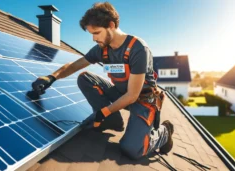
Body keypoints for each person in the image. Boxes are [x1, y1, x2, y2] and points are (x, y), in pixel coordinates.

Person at [31, 2, 174, 160]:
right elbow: (75, 65)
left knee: (132, 149)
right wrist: (52, 77)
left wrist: (103, 112)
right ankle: (112, 121)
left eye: (97, 33)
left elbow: (132, 95)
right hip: (120, 94)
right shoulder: (102, 49)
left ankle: (165, 132)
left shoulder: (138, 48)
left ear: (111, 25)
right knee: (85, 78)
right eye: (91, 34)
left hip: (141, 100)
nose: (94, 38)